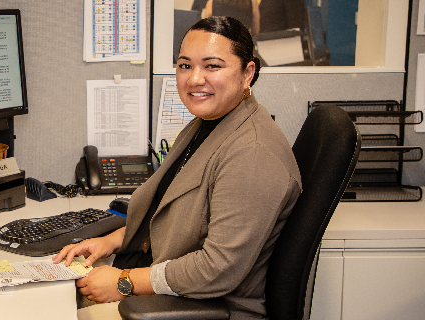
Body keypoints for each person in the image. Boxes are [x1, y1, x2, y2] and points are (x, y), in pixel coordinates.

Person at [54, 16, 301, 319]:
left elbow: (216, 268)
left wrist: (124, 283)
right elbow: (174, 217)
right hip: (164, 284)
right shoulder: (206, 124)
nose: (195, 79)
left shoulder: (254, 154)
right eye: (185, 65)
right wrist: (109, 241)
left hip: (203, 307)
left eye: (212, 66)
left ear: (247, 72)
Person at [194, 0, 260, 35]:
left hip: (219, 48)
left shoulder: (212, 2)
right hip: (242, 50)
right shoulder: (252, 2)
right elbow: (255, 31)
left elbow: (206, 30)